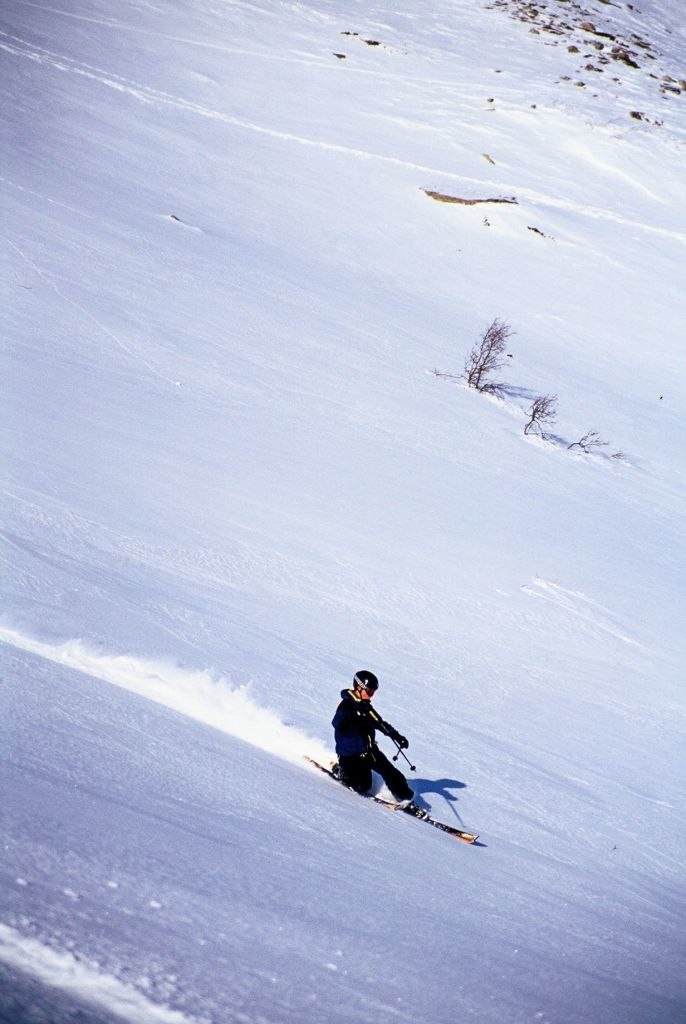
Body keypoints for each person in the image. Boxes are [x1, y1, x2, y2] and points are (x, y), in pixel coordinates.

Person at [332, 670, 417, 809]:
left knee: (393, 774)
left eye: (373, 692)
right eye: (370, 692)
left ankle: (406, 800)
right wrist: (356, 716)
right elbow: (337, 724)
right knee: (363, 785)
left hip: (369, 750)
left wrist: (396, 736)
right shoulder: (346, 706)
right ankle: (341, 770)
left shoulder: (365, 706)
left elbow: (379, 722)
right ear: (359, 687)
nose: (371, 696)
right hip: (350, 756)